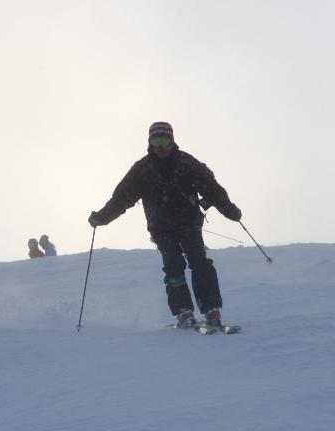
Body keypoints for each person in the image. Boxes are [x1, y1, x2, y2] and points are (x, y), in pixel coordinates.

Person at [88, 121, 242, 328]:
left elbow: (211, 188)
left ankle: (211, 309)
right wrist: (102, 217)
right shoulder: (142, 169)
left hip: (189, 222)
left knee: (199, 262)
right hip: (161, 227)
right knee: (173, 264)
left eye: (164, 141)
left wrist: (229, 209)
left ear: (172, 141)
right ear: (149, 143)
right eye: (156, 142)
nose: (160, 147)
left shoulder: (186, 163)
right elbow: (122, 198)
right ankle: (183, 311)